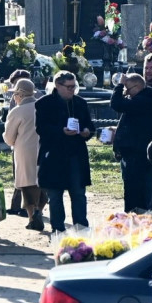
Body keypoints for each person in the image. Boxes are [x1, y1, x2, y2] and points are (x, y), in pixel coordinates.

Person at [35, 70, 96, 232]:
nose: (71, 90)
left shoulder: (80, 103)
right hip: (54, 156)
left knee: (78, 194)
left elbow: (90, 126)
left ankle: (81, 228)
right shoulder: (44, 104)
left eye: (74, 86)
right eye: (68, 87)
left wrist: (86, 132)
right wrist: (61, 131)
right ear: (57, 85)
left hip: (76, 155)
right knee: (55, 196)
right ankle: (58, 229)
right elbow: (41, 129)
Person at [111, 73, 152, 213]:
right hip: (134, 153)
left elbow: (116, 104)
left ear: (138, 87)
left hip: (138, 155)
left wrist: (119, 86)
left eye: (128, 89)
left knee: (136, 193)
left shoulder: (143, 101)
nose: (126, 92)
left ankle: (136, 219)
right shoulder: (142, 100)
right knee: (133, 191)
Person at [3, 79, 45, 231]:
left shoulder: (17, 111)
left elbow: (8, 138)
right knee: (42, 182)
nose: (14, 97)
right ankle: (40, 209)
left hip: (24, 151)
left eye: (15, 94)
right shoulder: (43, 106)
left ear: (20, 94)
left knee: (27, 184)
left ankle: (32, 215)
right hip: (44, 148)